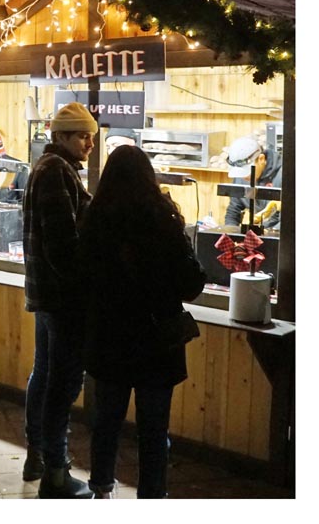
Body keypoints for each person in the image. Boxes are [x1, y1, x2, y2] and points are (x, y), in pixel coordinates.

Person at [80, 146, 207, 498]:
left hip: (109, 337)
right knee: (153, 429)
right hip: (156, 340)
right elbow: (191, 284)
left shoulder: (94, 218)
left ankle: (102, 490)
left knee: (106, 422)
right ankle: (152, 496)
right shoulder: (162, 219)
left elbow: (83, 277)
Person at [21, 101, 97, 498]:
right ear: (61, 136)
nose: (89, 142)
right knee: (63, 386)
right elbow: (63, 246)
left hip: (46, 294)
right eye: (83, 135)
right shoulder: (56, 172)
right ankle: (55, 471)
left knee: (46, 375)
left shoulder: (49, 168)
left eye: (91, 136)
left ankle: (38, 455)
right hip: (62, 299)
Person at [224, 136, 282, 229]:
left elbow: (290, 218)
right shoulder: (241, 178)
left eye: (247, 171)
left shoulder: (285, 175)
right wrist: (230, 232)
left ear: (261, 159)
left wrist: (267, 235)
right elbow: (234, 209)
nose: (244, 176)